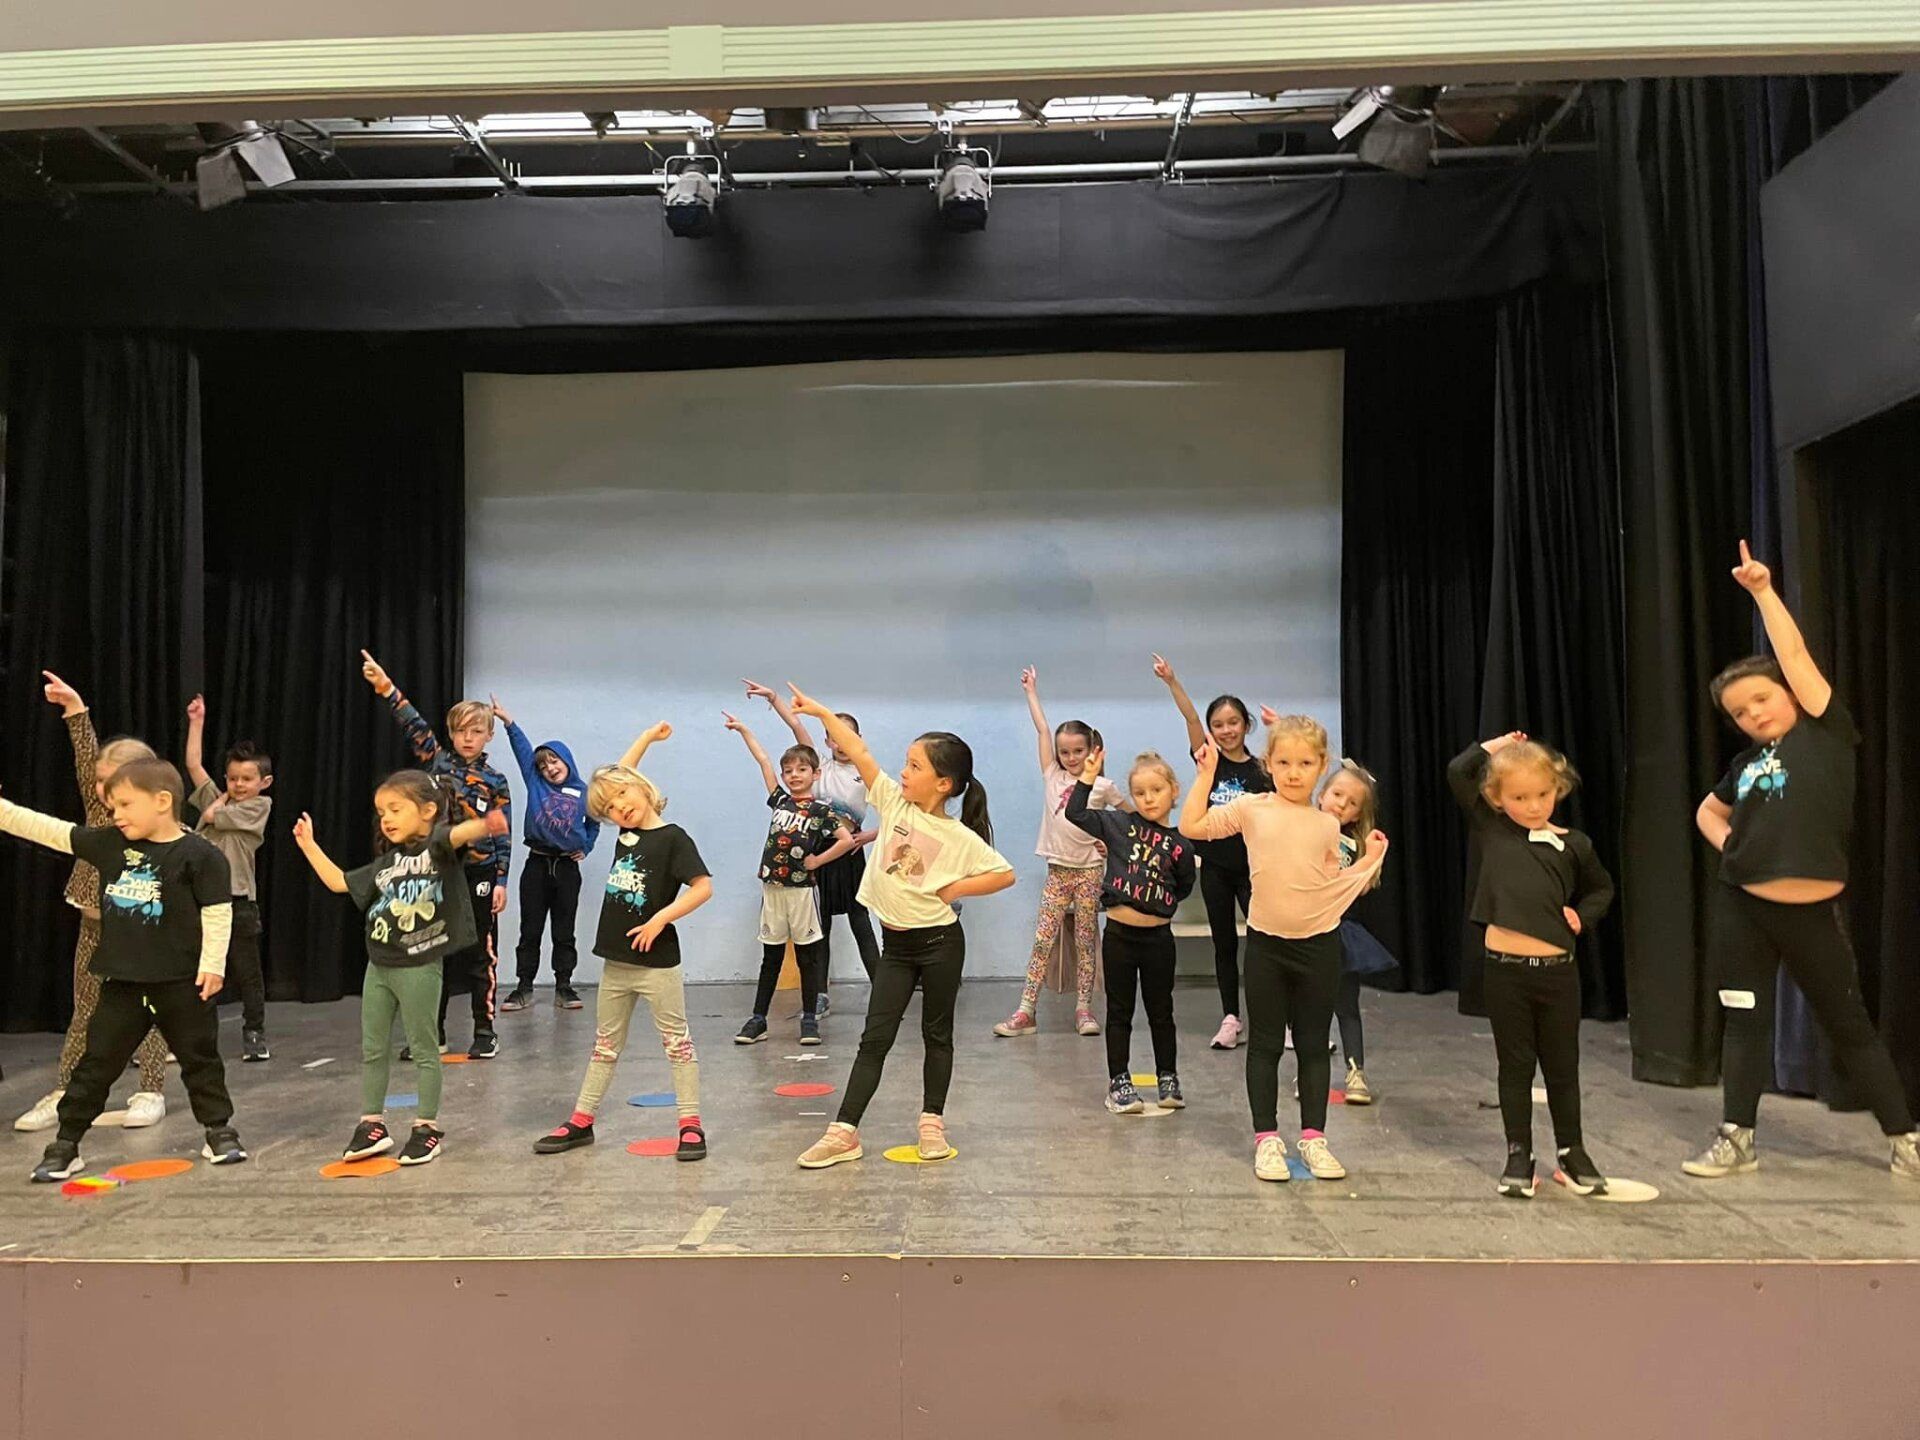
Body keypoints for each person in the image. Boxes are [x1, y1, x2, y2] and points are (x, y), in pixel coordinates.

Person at [1686, 541, 1920, 1182]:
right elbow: (1707, 812)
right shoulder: (1745, 765)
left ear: (1791, 694)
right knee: (1744, 1020)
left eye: (1761, 699)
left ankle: (1904, 1139)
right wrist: (1734, 848)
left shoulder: (1824, 731)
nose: (1753, 714)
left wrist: (1763, 592)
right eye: (1739, 712)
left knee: (1849, 1025)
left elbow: (1792, 655)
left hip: (1810, 913)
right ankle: (1737, 1138)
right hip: (1744, 907)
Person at [791, 686, 1015, 1169]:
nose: (904, 772)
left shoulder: (958, 836)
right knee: (875, 1038)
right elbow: (858, 750)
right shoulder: (893, 803)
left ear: (944, 784)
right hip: (895, 948)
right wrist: (820, 712)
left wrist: (955, 890)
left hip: (939, 945)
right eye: (906, 763)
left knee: (937, 1035)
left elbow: (1004, 874)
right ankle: (843, 1132)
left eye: (915, 766)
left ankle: (932, 1123)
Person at [1, 759, 248, 1181]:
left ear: (162, 801)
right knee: (96, 1063)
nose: (116, 814)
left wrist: (212, 965)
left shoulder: (200, 856)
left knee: (200, 1059)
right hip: (123, 985)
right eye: (113, 806)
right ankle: (66, 1143)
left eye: (125, 805)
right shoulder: (110, 845)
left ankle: (219, 1131)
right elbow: (48, 829)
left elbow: (217, 912)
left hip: (182, 984)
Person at [1181, 718, 1386, 1184]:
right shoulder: (1251, 808)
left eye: (1306, 763)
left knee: (1313, 1045)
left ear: (1321, 766)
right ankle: (1267, 1139)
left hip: (1319, 948)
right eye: (1285, 762)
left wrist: (1370, 861)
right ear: (1268, 764)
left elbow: (1333, 888)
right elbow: (1192, 826)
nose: (1295, 772)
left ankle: (1314, 1138)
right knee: (1266, 1045)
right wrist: (1205, 775)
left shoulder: (1327, 824)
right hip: (1267, 949)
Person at [294, 772, 506, 1166]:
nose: (386, 819)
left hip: (418, 966)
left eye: (395, 809)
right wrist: (309, 845)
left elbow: (455, 835)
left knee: (424, 1049)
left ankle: (426, 1128)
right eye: (381, 812)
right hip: (379, 966)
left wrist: (484, 825)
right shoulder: (387, 864)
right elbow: (340, 883)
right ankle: (372, 1124)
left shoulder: (437, 849)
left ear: (427, 811)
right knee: (373, 1050)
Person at [535, 722, 713, 1160]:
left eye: (623, 797)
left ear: (643, 788)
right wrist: (645, 740)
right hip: (616, 963)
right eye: (610, 808)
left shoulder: (673, 838)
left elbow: (703, 887)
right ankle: (581, 1121)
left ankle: (690, 1125)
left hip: (657, 965)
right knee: (604, 1044)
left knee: (677, 1043)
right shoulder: (626, 833)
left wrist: (660, 919)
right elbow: (619, 774)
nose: (619, 808)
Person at [1448, 732, 1615, 1199]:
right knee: (1516, 1065)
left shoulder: (1575, 844)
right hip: (1506, 973)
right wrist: (1497, 745)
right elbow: (1458, 772)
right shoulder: (1493, 829)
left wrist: (1582, 916)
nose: (1533, 805)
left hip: (1558, 974)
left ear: (1557, 789)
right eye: (1519, 797)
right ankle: (1518, 1152)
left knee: (1562, 1067)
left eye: (1542, 794)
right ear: (1496, 798)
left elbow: (1602, 888)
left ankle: (1572, 1152)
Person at [13, 672, 170, 1133]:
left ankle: (151, 1091)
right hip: (95, 926)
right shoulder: (100, 813)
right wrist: (75, 710)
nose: (100, 789)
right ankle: (67, 1090)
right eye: (99, 782)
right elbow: (86, 760)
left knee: (149, 1009)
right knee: (84, 1010)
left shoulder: (159, 828)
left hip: (142, 933)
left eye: (110, 781)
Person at [359, 650, 512, 1059]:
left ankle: (485, 1031)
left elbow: (503, 834)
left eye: (476, 731)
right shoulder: (438, 761)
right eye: (460, 731)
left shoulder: (496, 780)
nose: (467, 738)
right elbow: (414, 724)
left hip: (480, 873)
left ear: (488, 735)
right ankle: (433, 1033)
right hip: (439, 870)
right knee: (433, 952)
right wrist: (386, 687)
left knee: (480, 954)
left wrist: (500, 880)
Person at [994, 666, 1126, 1039]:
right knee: (1043, 940)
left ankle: (1084, 1009)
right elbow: (1042, 729)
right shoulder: (1052, 774)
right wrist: (1031, 692)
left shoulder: (1103, 786)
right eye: (1064, 751)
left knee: (1085, 941)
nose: (1070, 757)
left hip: (1089, 872)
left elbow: (1129, 819)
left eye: (1078, 751)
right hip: (1058, 872)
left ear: (1092, 751)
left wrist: (1112, 843)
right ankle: (1026, 1010)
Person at [1065, 748, 1196, 1113]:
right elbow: (1075, 813)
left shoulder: (1181, 845)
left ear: (1174, 790)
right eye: (1140, 792)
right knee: (1119, 1011)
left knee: (1161, 1011)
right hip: (1120, 937)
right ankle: (1119, 1081)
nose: (1148, 798)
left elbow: (1183, 886)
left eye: (1156, 790)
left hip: (1158, 940)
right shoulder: (1119, 825)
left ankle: (1168, 1077)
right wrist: (1088, 777)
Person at [1152, 653, 1272, 1050]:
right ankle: (1231, 1018)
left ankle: (1279, 1019)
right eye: (1218, 724)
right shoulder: (1210, 761)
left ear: (1246, 725)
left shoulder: (1262, 770)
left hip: (1254, 870)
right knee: (1225, 944)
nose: (1226, 730)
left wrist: (1278, 727)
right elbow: (1190, 719)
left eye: (1233, 722)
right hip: (1218, 869)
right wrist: (1172, 681)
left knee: (1266, 943)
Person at [743, 679, 880, 1007]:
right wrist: (774, 698)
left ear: (859, 739)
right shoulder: (820, 767)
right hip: (817, 854)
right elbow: (796, 725)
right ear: (827, 741)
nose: (841, 743)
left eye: (848, 736)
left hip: (850, 855)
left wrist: (868, 835)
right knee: (822, 927)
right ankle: (819, 995)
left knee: (861, 922)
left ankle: (883, 992)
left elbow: (899, 814)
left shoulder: (867, 773)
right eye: (834, 736)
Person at [723, 711, 855, 1047]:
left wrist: (817, 860)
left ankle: (809, 1018)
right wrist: (744, 729)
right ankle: (758, 1019)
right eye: (789, 771)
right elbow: (763, 760)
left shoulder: (821, 810)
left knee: (808, 957)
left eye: (801, 770)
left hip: (802, 892)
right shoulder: (780, 800)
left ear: (815, 774)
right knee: (771, 957)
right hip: (773, 890)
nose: (794, 775)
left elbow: (845, 840)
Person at [490, 695, 597, 1013]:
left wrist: (586, 847)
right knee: (530, 929)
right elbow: (523, 751)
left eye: (554, 761)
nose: (549, 768)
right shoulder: (536, 783)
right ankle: (524, 987)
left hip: (566, 869)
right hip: (536, 864)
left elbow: (594, 824)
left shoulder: (585, 792)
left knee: (564, 931)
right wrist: (509, 723)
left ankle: (564, 986)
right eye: (543, 765)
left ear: (567, 761)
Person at [185, 695, 274, 1061]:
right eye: (233, 778)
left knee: (246, 972)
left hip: (237, 900)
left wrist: (214, 807)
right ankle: (188, 1038)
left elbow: (211, 815)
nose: (238, 784)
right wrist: (197, 722)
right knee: (196, 970)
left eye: (247, 779)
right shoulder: (219, 796)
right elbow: (193, 765)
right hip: (201, 899)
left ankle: (254, 1033)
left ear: (264, 782)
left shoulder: (259, 806)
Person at [1314, 756, 1398, 1105]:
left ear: (1357, 815)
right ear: (1321, 794)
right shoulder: (1303, 829)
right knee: (1311, 1009)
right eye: (1337, 795)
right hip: (1308, 931)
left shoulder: (1355, 844)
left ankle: (1356, 1072)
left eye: (1351, 803)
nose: (1341, 805)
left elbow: (1359, 887)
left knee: (1346, 1006)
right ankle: (1311, 1072)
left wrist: (1372, 857)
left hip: (1341, 932)